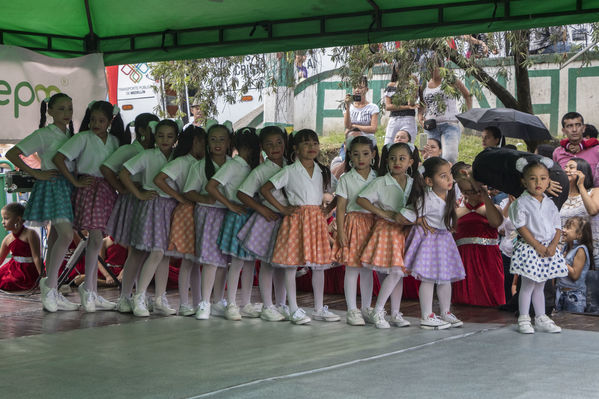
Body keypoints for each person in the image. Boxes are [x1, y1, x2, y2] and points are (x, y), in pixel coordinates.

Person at [5, 93, 79, 312]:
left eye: (69, 108)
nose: (66, 113)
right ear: (50, 111)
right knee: (65, 235)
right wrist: (37, 173)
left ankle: (52, 288)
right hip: (52, 186)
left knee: (57, 236)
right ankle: (49, 287)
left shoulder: (70, 134)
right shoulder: (45, 134)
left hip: (66, 186)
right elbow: (13, 153)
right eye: (61, 109)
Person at [53, 100, 126, 312]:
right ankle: (89, 290)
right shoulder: (83, 137)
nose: (96, 123)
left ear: (110, 121)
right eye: (93, 119)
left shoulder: (114, 141)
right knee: (94, 238)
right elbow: (59, 158)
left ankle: (91, 289)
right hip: (88, 187)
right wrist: (75, 181)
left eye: (101, 120)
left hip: (106, 191)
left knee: (96, 239)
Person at [261, 129, 339, 325]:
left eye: (314, 143)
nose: (311, 147)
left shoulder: (322, 170)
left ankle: (319, 308)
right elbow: (265, 189)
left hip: (316, 220)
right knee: (291, 264)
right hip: (296, 219)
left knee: (319, 265)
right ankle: (294, 308)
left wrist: (328, 209)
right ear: (295, 148)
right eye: (305, 143)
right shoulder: (289, 170)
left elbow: (340, 191)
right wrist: (283, 209)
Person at [119, 119, 180, 317]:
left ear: (176, 139)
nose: (165, 140)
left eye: (170, 136)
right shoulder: (147, 155)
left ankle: (160, 298)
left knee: (163, 254)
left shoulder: (177, 157)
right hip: (151, 205)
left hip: (170, 207)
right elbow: (124, 173)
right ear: (154, 136)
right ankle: (132, 296)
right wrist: (139, 194)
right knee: (144, 252)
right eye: (161, 135)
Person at [356, 142, 420, 329]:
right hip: (387, 230)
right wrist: (382, 213)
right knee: (395, 271)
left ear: (410, 162)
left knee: (397, 275)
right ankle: (378, 311)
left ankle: (395, 313)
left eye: (402, 158)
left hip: (405, 231)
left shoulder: (414, 182)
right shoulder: (381, 181)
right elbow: (361, 199)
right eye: (392, 159)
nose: (396, 162)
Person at [102, 113, 159, 313]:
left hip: (150, 203)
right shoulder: (129, 149)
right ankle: (125, 296)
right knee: (136, 250)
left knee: (145, 251)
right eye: (153, 129)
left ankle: (136, 294)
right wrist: (122, 188)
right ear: (142, 130)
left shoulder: (155, 151)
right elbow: (107, 168)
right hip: (133, 201)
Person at [206, 127, 262, 321]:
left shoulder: (252, 165)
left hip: (250, 214)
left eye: (252, 148)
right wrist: (229, 204)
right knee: (237, 262)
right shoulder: (234, 165)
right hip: (238, 213)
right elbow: (211, 186)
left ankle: (245, 303)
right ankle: (231, 303)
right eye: (246, 148)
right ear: (237, 147)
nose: (249, 152)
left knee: (248, 263)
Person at [404, 157, 465, 329]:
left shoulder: (451, 194)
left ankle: (445, 311)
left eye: (450, 175)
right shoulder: (426, 198)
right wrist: (422, 222)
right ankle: (427, 314)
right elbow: (416, 216)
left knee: (445, 278)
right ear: (429, 181)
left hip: (444, 240)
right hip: (430, 241)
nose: (449, 180)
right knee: (429, 278)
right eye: (443, 176)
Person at [237, 126, 289, 322]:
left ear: (285, 143)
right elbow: (242, 193)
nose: (274, 147)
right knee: (267, 263)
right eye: (269, 144)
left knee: (283, 264)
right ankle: (268, 305)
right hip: (268, 220)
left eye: (278, 142)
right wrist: (263, 209)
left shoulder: (290, 164)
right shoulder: (261, 170)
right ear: (262, 147)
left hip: (286, 220)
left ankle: (281, 304)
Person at [509, 160, 568, 334]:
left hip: (547, 248)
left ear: (549, 180)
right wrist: (537, 246)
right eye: (533, 179)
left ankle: (541, 317)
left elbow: (557, 227)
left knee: (541, 284)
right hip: (531, 248)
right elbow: (522, 227)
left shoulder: (549, 203)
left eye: (543, 178)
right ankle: (524, 318)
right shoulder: (520, 203)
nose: (538, 183)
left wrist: (552, 246)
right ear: (524, 181)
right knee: (527, 284)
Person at [154, 125, 206, 316]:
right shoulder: (183, 161)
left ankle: (198, 301)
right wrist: (180, 197)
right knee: (187, 259)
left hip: (197, 210)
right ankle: (185, 303)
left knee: (194, 260)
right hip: (186, 212)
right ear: (192, 142)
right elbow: (159, 179)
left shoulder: (200, 161)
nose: (205, 145)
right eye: (201, 141)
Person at [183, 123, 232, 320]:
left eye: (222, 139)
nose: (218, 143)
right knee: (210, 260)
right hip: (209, 215)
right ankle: (204, 301)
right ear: (207, 143)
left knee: (223, 262)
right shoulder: (200, 165)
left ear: (229, 142)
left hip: (227, 214)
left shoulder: (233, 164)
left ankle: (218, 301)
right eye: (213, 139)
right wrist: (206, 199)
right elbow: (189, 191)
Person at [332, 135, 379, 326]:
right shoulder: (346, 178)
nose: (361, 158)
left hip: (372, 224)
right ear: (349, 155)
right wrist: (341, 232)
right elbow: (341, 207)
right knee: (352, 268)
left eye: (366, 154)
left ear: (373, 155)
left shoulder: (379, 177)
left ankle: (367, 307)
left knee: (368, 269)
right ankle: (352, 309)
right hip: (353, 224)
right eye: (356, 154)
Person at [452, 167, 505, 307]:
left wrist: (485, 197)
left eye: (475, 191)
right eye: (468, 192)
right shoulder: (458, 211)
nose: (474, 195)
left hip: (488, 257)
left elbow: (496, 222)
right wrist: (468, 209)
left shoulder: (493, 209)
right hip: (464, 256)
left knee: (490, 297)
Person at [419, 55, 472, 164]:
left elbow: (467, 95)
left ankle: (449, 179)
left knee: (449, 157)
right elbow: (421, 105)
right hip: (430, 126)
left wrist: (468, 114)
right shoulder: (424, 84)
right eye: (428, 68)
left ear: (441, 67)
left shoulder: (450, 80)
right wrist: (420, 118)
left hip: (450, 124)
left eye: (433, 67)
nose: (431, 71)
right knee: (428, 158)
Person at [0, 203, 42, 291]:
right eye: (2, 218)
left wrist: (43, 278)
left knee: (9, 282)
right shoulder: (7, 239)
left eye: (6, 218)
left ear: (18, 219)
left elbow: (36, 257)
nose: (3, 222)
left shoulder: (30, 234)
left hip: (28, 271)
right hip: (13, 268)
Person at [556, 216, 593, 313]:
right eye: (564, 227)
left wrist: (561, 260)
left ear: (579, 234)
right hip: (560, 293)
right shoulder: (565, 247)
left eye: (568, 228)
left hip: (574, 297)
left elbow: (575, 275)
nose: (563, 230)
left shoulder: (580, 250)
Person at [553, 112, 599, 186]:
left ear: (583, 128)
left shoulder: (596, 150)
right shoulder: (558, 152)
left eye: (578, 125)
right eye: (569, 126)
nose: (574, 129)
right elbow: (555, 176)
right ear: (564, 131)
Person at [384, 63, 418, 145]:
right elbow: (388, 107)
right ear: (396, 70)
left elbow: (412, 102)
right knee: (388, 144)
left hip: (408, 118)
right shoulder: (391, 85)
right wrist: (406, 107)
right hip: (394, 119)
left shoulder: (411, 85)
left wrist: (415, 82)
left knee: (409, 145)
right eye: (398, 68)